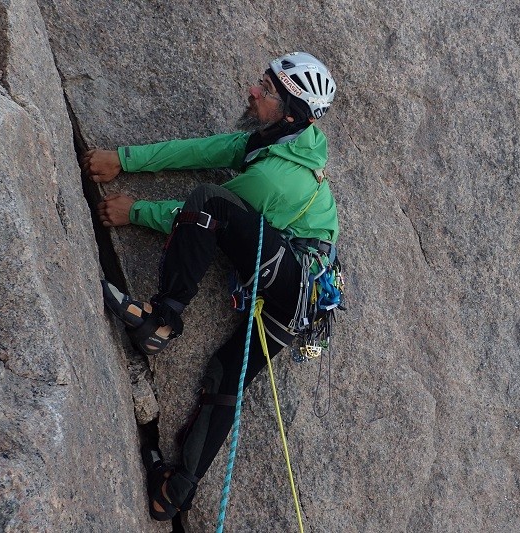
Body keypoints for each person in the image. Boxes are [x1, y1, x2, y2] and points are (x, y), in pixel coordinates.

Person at [81, 52, 338, 521]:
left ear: (289, 111)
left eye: (266, 89)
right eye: (262, 81)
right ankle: (174, 491)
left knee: (208, 202)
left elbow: (201, 217)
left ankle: (163, 318)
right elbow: (204, 150)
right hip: (303, 297)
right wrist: (124, 160)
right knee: (225, 376)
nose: (253, 90)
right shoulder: (278, 142)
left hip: (290, 275)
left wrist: (133, 211)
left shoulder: (275, 176)